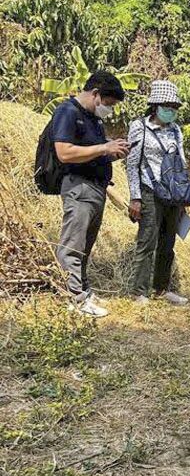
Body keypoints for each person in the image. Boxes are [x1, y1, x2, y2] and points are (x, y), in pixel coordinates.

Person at [53, 71, 129, 317]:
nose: (109, 110)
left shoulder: (93, 119)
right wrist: (103, 147)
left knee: (85, 245)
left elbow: (92, 150)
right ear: (96, 94)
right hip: (79, 187)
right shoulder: (68, 112)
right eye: (108, 104)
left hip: (96, 189)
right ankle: (73, 298)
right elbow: (64, 152)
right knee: (72, 246)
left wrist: (111, 152)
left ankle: (82, 290)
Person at [127, 80, 190, 305]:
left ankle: (161, 289)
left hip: (173, 193)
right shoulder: (139, 127)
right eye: (167, 105)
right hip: (149, 191)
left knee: (168, 243)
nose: (171, 110)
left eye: (174, 106)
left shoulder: (176, 130)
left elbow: (181, 162)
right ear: (155, 106)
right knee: (147, 242)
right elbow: (132, 164)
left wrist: (184, 195)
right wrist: (135, 197)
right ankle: (139, 291)